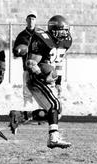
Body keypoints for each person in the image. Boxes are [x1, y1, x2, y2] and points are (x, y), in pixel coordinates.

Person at [24, 15, 72, 149]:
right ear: (53, 30)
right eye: (62, 30)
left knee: (57, 111)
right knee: (54, 105)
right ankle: (53, 138)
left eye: (66, 30)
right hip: (36, 77)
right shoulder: (42, 39)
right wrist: (42, 76)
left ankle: (20, 116)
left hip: (48, 77)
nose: (65, 34)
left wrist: (58, 82)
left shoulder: (65, 42)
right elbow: (31, 63)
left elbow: (59, 62)